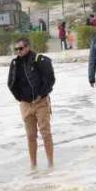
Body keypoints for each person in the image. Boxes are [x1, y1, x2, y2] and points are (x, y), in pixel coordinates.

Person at [8, 37, 56, 170]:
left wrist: (41, 94)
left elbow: (50, 79)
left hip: (41, 102)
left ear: (27, 47)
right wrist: (19, 98)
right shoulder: (15, 63)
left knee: (45, 133)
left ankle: (50, 163)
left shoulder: (39, 60)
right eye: (16, 49)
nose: (18, 51)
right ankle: (33, 165)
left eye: (21, 48)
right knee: (30, 136)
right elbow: (11, 83)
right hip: (25, 104)